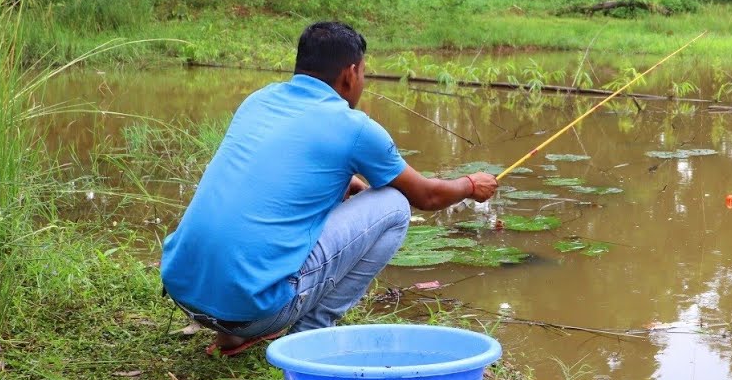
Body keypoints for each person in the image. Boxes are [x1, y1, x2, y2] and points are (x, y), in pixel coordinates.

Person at [160, 21, 497, 356]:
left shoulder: (260, 100)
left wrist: (343, 181)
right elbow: (427, 196)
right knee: (394, 205)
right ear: (350, 74)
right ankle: (309, 337)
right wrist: (469, 184)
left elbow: (273, 170)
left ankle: (230, 337)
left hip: (185, 292)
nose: (362, 81)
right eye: (364, 73)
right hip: (254, 313)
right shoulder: (354, 127)